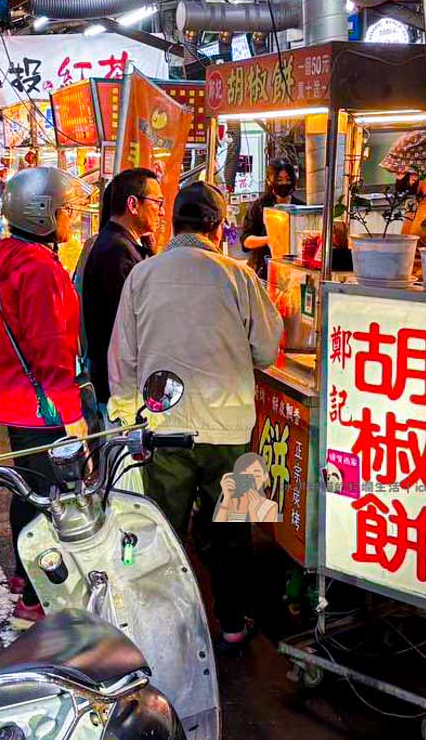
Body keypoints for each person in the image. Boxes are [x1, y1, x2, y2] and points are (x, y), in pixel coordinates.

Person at [108, 181, 282, 651]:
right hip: (229, 430)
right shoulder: (237, 275)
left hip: (165, 428)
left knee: (164, 529)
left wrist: (126, 416)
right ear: (216, 225)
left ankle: (164, 629)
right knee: (233, 530)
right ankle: (230, 623)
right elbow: (267, 350)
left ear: (174, 223)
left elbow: (122, 357)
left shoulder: (142, 275)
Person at [0, 167, 92, 624]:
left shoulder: (13, 257)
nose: (72, 218)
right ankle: (33, 598)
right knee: (50, 498)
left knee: (27, 491)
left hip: (17, 398)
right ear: (44, 214)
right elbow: (50, 349)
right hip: (42, 403)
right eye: (67, 210)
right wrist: (72, 414)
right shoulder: (39, 269)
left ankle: (19, 573)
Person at [80, 168, 161, 410]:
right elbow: (128, 324)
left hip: (115, 382)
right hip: (119, 388)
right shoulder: (117, 251)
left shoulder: (119, 243)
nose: (162, 210)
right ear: (133, 204)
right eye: (157, 202)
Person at [240, 158, 298, 279]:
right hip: (262, 271)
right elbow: (246, 241)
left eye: (288, 179)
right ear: (269, 181)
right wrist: (269, 239)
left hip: (294, 272)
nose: (283, 183)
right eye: (279, 179)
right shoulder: (259, 206)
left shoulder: (300, 207)